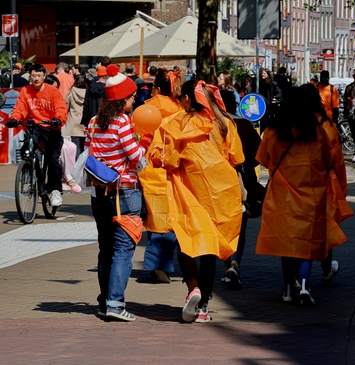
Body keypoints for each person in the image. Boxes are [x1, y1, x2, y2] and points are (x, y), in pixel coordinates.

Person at [149, 80, 244, 322]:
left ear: (188, 99)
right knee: (210, 248)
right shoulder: (224, 124)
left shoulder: (175, 123)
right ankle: (203, 307)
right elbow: (237, 157)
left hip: (187, 193)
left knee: (187, 242)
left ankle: (193, 287)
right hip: (219, 193)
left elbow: (162, 158)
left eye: (181, 97)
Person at [255, 85, 346, 306]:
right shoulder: (317, 130)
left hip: (282, 194)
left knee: (287, 243)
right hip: (311, 194)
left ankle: (287, 289)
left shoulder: (273, 130)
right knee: (307, 242)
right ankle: (305, 286)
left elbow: (264, 158)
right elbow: (328, 159)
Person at [85, 64, 151, 321]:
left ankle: (104, 302)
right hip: (124, 192)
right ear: (123, 98)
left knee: (106, 247)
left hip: (99, 193)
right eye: (133, 97)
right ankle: (115, 304)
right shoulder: (123, 122)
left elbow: (90, 155)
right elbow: (135, 157)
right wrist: (144, 141)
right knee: (124, 249)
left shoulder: (93, 122)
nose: (135, 101)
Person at [302, 83, 352, 282]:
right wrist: (341, 185)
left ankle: (296, 279)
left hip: (293, 183)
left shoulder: (288, 124)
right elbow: (336, 159)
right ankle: (325, 267)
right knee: (325, 225)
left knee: (299, 228)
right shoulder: (327, 125)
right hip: (322, 183)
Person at [140, 68, 184, 284]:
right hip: (173, 168)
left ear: (156, 88)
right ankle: (160, 264)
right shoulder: (182, 110)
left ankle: (158, 265)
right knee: (170, 219)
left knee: (154, 216)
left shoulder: (147, 108)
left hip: (148, 169)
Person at [218, 89, 262, 289]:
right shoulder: (244, 125)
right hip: (242, 182)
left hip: (217, 183)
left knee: (221, 225)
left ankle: (228, 262)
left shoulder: (213, 125)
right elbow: (258, 155)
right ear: (235, 105)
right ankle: (234, 264)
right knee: (240, 226)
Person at [8, 64, 67, 207]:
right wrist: (14, 118)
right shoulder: (25, 91)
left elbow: (61, 108)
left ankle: (55, 191)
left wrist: (58, 119)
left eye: (39, 76)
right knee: (26, 150)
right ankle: (30, 173)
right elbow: (20, 108)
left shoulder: (52, 91)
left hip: (51, 127)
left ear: (44, 77)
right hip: (34, 127)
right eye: (33, 75)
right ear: (30, 76)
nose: (36, 78)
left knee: (53, 160)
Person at [43, 74, 82, 194]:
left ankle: (67, 176)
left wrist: (59, 119)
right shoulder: (39, 97)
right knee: (63, 149)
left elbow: (62, 109)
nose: (54, 90)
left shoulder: (57, 97)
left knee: (72, 146)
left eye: (56, 88)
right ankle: (68, 177)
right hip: (42, 133)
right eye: (52, 87)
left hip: (54, 131)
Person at [64, 74, 87, 160]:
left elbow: (66, 106)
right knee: (84, 145)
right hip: (84, 122)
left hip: (74, 121)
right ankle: (82, 164)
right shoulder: (88, 92)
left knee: (75, 145)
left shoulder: (71, 92)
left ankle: (76, 164)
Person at [253, 68, 283, 132]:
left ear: (268, 74)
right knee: (262, 122)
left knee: (269, 122)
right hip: (261, 105)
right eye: (262, 73)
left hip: (269, 105)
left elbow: (279, 93)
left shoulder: (273, 84)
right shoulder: (258, 83)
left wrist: (275, 98)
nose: (262, 74)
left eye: (264, 73)